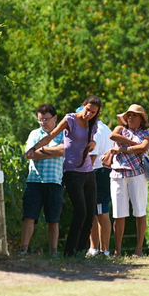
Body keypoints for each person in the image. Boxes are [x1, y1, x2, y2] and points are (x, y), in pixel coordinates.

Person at [26, 95, 102, 257]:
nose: (89, 114)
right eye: (88, 110)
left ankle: (81, 250)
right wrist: (34, 148)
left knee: (90, 213)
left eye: (93, 112)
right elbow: (51, 136)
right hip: (72, 172)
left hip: (88, 171)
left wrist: (93, 144)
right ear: (83, 105)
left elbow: (92, 141)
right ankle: (70, 251)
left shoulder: (92, 124)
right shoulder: (71, 120)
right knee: (80, 211)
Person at [105, 104, 149, 257]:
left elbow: (144, 147)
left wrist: (123, 149)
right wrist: (134, 144)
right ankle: (117, 251)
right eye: (129, 115)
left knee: (139, 211)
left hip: (137, 174)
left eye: (134, 115)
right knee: (118, 214)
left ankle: (138, 249)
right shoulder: (120, 129)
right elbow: (112, 136)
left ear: (141, 118)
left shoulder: (147, 133)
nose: (131, 118)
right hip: (118, 174)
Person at [19, 103, 65, 257]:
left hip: (54, 181)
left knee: (53, 219)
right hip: (35, 180)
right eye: (40, 120)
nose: (43, 123)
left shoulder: (63, 133)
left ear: (55, 118)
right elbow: (29, 154)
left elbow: (64, 150)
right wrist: (53, 152)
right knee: (29, 216)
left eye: (46, 119)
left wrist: (42, 150)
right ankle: (23, 249)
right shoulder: (34, 134)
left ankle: (53, 253)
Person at [88, 119, 113, 257]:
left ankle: (101, 250)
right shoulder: (106, 128)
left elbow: (92, 156)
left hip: (98, 172)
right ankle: (97, 249)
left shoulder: (95, 130)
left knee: (100, 212)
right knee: (96, 212)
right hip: (105, 171)